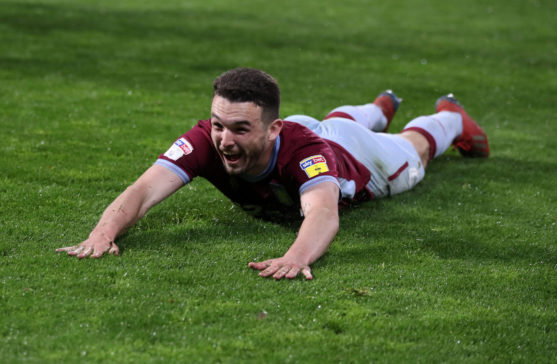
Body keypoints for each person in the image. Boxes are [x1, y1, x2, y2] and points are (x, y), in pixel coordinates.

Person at [56, 68, 489, 280]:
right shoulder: (207, 139)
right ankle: (379, 107)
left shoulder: (306, 154)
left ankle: (450, 117)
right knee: (334, 120)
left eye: (240, 129)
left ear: (272, 128)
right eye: (218, 124)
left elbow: (322, 212)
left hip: (355, 154)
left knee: (414, 152)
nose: (224, 139)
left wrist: (296, 257)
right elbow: (144, 189)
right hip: (312, 129)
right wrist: (102, 233)